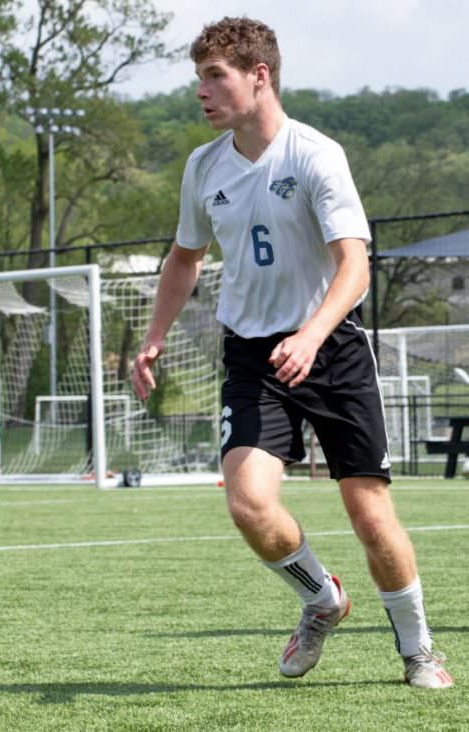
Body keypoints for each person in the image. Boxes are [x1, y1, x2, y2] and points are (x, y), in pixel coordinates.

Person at [131, 16, 453, 689]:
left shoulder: (315, 154)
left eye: (215, 76)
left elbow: (355, 266)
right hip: (251, 356)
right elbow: (185, 258)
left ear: (259, 75)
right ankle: (321, 599)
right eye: (199, 79)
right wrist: (155, 336)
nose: (203, 92)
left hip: (331, 348)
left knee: (369, 513)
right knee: (249, 503)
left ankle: (420, 652)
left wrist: (310, 334)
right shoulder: (203, 167)